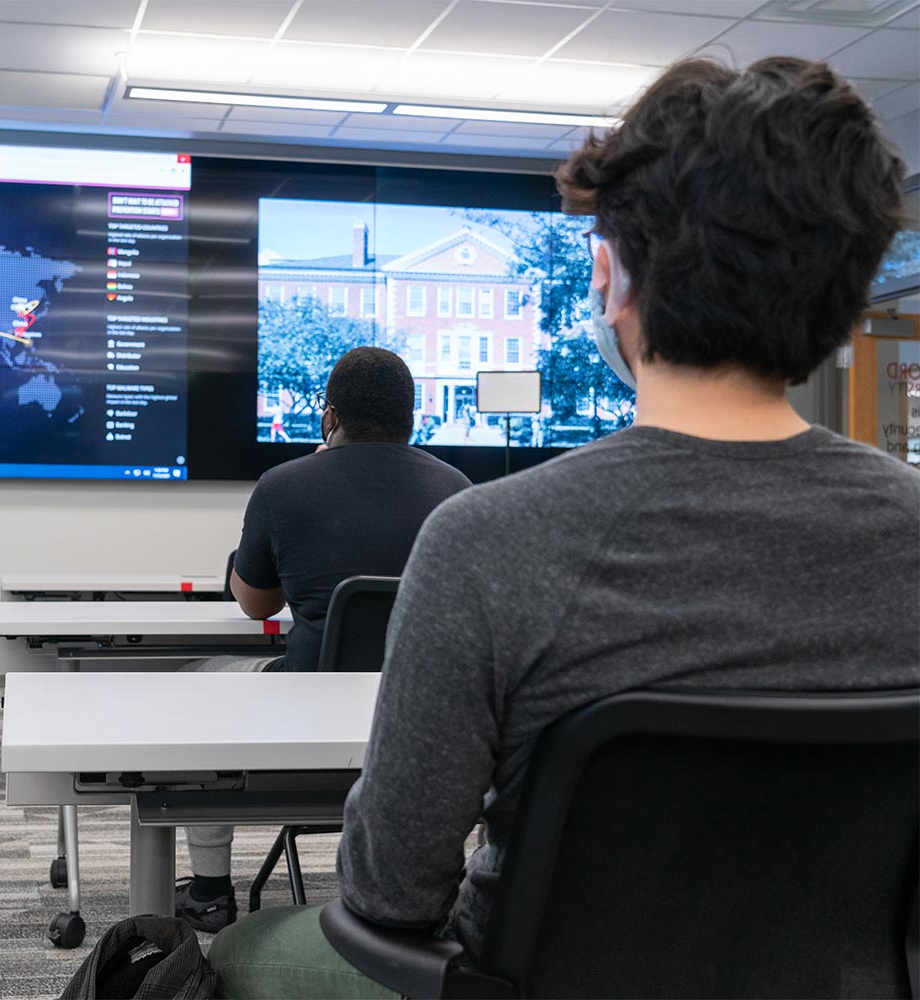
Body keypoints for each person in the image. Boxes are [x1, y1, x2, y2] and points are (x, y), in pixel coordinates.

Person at [207, 56, 920, 998]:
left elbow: (388, 892)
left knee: (239, 954)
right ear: (849, 292)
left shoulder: (487, 543)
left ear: (608, 276)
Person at [177, 346, 472, 933]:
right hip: (422, 729)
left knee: (197, 684)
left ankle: (210, 887)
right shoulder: (457, 488)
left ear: (329, 416)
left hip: (305, 714)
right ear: (411, 420)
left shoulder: (283, 485)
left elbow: (256, 602)